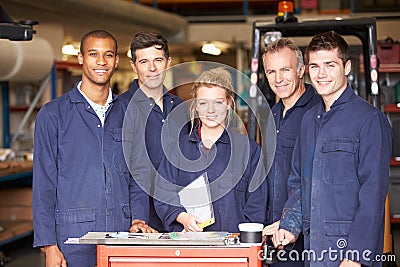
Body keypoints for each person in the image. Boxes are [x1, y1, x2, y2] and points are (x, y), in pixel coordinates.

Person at [32, 30, 154, 267]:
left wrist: (138, 218)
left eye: (108, 55)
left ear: (116, 61)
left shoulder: (131, 114)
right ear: (80, 58)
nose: (101, 62)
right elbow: (44, 184)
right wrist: (49, 246)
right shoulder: (53, 115)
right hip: (72, 241)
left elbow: (138, 177)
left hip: (122, 237)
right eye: (93, 54)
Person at [273, 31, 392, 267]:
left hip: (349, 251)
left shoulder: (369, 119)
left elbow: (373, 194)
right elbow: (298, 183)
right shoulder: (308, 121)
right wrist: (290, 225)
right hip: (313, 248)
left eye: (330, 65)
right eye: (315, 66)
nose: (322, 74)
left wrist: (356, 256)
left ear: (347, 67)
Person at [154, 67, 267, 232]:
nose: (211, 110)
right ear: (196, 106)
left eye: (218, 102)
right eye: (203, 103)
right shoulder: (177, 149)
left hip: (232, 252)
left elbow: (256, 206)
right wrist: (182, 217)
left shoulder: (249, 151)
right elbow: (163, 192)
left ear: (229, 103)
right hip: (189, 248)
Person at [261, 37, 321, 266]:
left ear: (301, 70)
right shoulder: (272, 114)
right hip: (273, 234)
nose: (278, 79)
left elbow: (316, 180)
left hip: (304, 235)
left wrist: (291, 221)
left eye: (285, 70)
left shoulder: (317, 112)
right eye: (271, 71)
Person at [120, 31, 187, 232]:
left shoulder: (180, 107)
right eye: (144, 62)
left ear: (168, 62)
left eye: (158, 60)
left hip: (180, 216)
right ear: (134, 66)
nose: (152, 68)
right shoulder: (120, 109)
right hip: (140, 221)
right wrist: (136, 218)